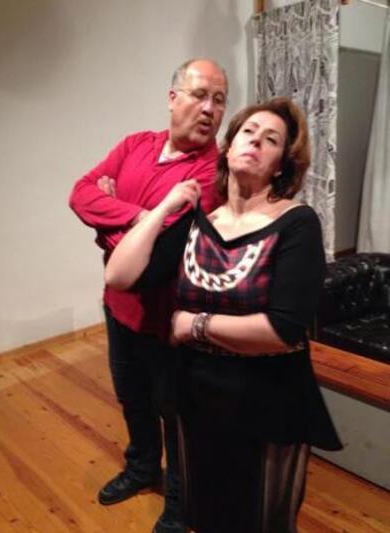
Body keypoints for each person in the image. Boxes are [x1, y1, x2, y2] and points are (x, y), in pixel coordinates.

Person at [105, 97, 343, 533]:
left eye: (271, 139)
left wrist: (192, 324)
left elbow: (282, 328)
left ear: (281, 165)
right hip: (197, 396)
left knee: (264, 521)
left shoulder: (298, 223)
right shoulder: (198, 222)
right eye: (248, 132)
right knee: (207, 514)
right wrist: (164, 208)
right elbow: (119, 275)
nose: (256, 141)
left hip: (268, 399)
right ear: (228, 147)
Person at [69, 58, 228, 533]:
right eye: (200, 95)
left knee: (174, 415)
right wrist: (144, 217)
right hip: (118, 309)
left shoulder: (211, 174)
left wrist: (108, 224)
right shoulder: (136, 144)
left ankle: (179, 503)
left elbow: (151, 266)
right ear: (173, 97)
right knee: (132, 398)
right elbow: (79, 193)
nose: (210, 109)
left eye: (219, 100)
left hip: (169, 321)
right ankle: (141, 468)